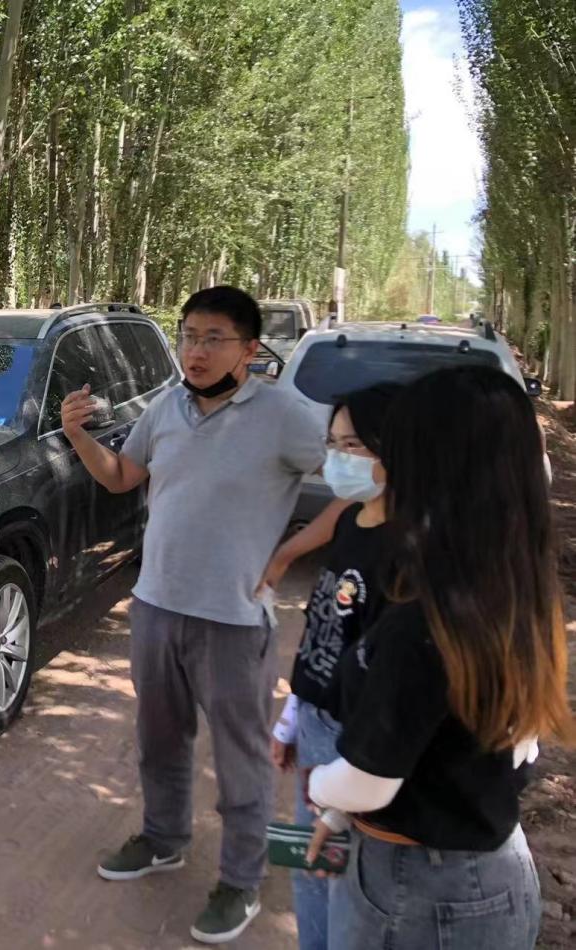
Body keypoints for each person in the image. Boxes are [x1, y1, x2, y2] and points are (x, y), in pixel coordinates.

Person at [61, 285, 327, 944]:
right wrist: (76, 435)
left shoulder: (285, 415)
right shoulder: (167, 407)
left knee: (241, 758)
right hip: (156, 606)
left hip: (233, 620)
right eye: (188, 336)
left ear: (250, 349)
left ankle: (240, 881)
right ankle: (163, 838)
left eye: (213, 339)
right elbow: (121, 475)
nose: (195, 351)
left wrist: (290, 551)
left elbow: (364, 479)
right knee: (159, 739)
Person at [306, 365, 574, 949]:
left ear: (434, 466)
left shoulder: (428, 620)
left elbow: (369, 782)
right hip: (479, 869)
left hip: (420, 892)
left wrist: (321, 788)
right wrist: (339, 815)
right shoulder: (511, 588)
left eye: (396, 450)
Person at [259, 384, 399, 950]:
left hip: (360, 745)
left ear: (397, 449)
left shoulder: (407, 554)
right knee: (314, 874)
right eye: (333, 444)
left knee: (350, 885)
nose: (339, 458)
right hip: (319, 728)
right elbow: (326, 632)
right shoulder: (351, 524)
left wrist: (340, 791)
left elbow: (395, 686)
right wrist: (294, 716)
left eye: (354, 446)